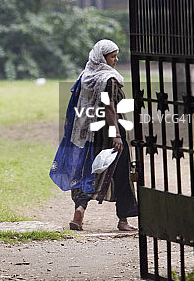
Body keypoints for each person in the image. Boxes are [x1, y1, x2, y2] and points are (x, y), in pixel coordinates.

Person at [49, 38, 138, 232]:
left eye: (116, 56)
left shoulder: (86, 75)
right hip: (109, 131)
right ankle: (123, 220)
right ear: (102, 58)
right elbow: (110, 107)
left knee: (89, 171)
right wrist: (116, 135)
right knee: (122, 172)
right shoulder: (109, 79)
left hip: (88, 133)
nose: (115, 60)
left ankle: (79, 211)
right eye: (112, 57)